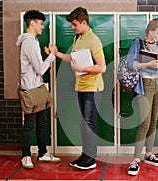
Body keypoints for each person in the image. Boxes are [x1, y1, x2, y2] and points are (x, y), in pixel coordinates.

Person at [55, 7, 106, 170]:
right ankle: (85, 154)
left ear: (84, 22)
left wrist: (81, 69)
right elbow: (74, 58)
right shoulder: (78, 38)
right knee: (83, 123)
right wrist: (58, 54)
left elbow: (102, 67)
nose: (72, 27)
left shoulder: (93, 40)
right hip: (81, 86)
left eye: (75, 24)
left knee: (89, 122)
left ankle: (90, 159)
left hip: (93, 88)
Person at [126, 18, 158, 176]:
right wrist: (146, 65)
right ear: (150, 30)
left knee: (154, 121)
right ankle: (135, 160)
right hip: (144, 85)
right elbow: (129, 64)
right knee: (144, 123)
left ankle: (148, 154)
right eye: (157, 33)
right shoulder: (138, 43)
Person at [16, 10, 61, 169]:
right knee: (30, 124)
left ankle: (42, 153)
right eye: (41, 23)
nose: (42, 27)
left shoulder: (31, 41)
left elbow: (36, 67)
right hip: (30, 89)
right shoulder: (29, 42)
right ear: (32, 23)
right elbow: (41, 69)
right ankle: (26, 156)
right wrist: (52, 55)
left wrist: (46, 56)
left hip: (36, 87)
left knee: (42, 122)